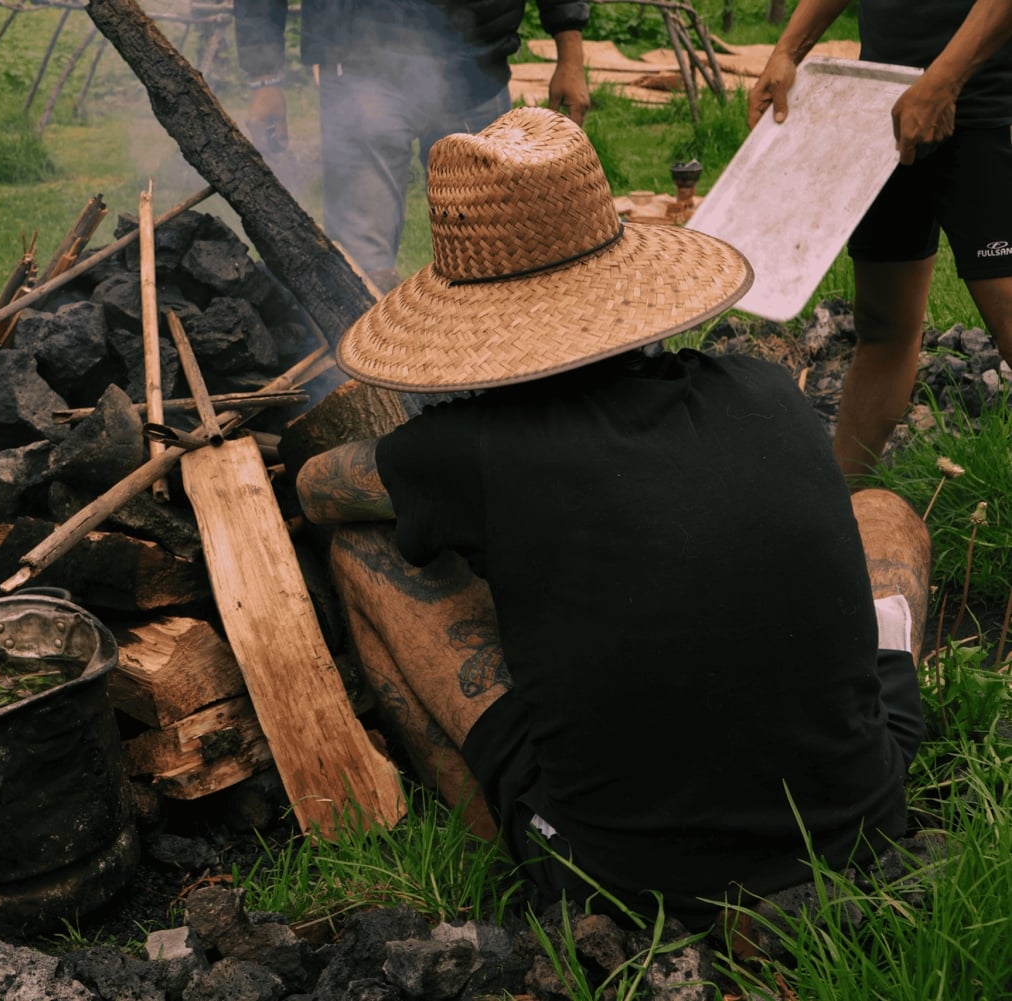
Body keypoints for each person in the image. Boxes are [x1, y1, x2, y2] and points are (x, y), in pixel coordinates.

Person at [294, 107, 932, 929]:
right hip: (860, 819)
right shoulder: (764, 388)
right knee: (882, 511)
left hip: (626, 878)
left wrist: (411, 465)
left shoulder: (470, 450)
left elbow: (320, 486)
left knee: (361, 550)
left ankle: (497, 830)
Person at [748, 0, 1012, 482]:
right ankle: (840, 515)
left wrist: (945, 79)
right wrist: (789, 49)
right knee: (884, 327)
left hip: (989, 109)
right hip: (885, 105)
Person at [232, 0, 590, 293]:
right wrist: (265, 78)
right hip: (362, 67)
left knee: (488, 257)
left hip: (478, 67)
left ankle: (478, 372)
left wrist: (570, 52)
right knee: (360, 265)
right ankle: (367, 372)